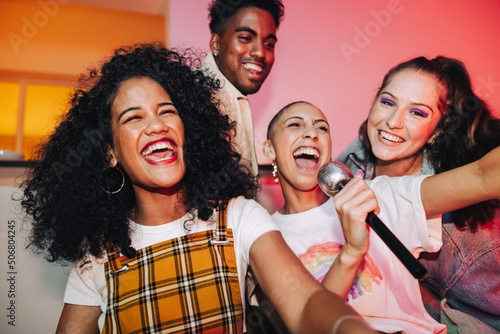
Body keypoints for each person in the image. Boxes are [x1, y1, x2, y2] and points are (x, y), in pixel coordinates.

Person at [20, 43, 376, 334]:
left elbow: (306, 302)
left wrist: (348, 326)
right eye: (134, 117)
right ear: (110, 152)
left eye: (167, 111)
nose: (157, 125)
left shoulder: (238, 216)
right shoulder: (96, 256)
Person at [252, 101, 500, 334]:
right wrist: (352, 250)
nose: (312, 133)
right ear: (269, 148)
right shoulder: (263, 235)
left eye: (322, 127)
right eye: (295, 124)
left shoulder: (375, 194)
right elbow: (311, 322)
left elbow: (482, 176)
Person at [336, 56, 500, 332]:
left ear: (436, 131)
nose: (392, 122)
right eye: (388, 102)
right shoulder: (355, 158)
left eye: (417, 113)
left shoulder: (458, 233)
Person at [201, 0, 284, 178]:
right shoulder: (193, 100)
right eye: (246, 38)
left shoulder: (233, 99)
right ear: (215, 43)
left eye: (269, 44)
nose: (260, 52)